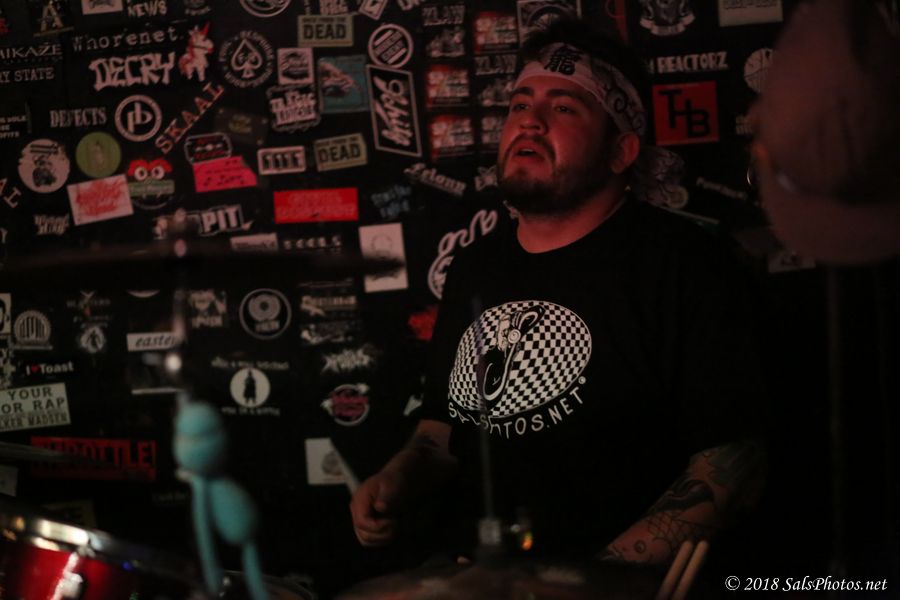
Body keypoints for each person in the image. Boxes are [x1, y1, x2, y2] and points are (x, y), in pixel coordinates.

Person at [350, 16, 766, 567]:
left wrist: (592, 583)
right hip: (479, 578)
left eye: (564, 107)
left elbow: (732, 463)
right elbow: (441, 432)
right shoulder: (474, 265)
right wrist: (396, 479)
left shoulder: (689, 264)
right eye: (520, 104)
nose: (530, 120)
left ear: (621, 151)